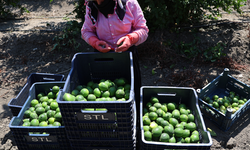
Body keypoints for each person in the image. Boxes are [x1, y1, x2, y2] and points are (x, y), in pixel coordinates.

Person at [81, 0, 149, 116]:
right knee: (104, 98)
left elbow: (143, 30)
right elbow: (86, 31)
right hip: (102, 58)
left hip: (127, 57)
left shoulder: (129, 3)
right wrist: (95, 42)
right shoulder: (91, 7)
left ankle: (134, 121)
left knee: (132, 94)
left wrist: (130, 39)